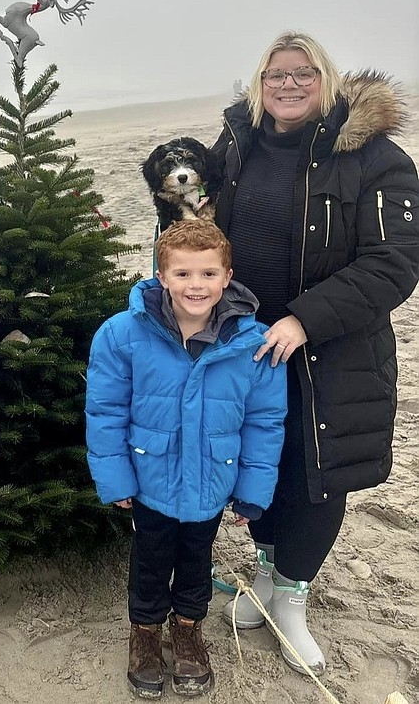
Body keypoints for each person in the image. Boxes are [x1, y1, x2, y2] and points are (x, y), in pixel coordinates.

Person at [213, 31, 419, 675]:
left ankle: (294, 598)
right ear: (259, 84)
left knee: (318, 472)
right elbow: (196, 228)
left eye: (304, 73)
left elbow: (394, 262)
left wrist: (305, 319)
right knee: (262, 465)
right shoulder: (235, 146)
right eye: (276, 75)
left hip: (333, 351)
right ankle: (268, 580)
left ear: (326, 81)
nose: (289, 85)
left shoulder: (377, 158)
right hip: (246, 344)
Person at [85, 219, 287, 698]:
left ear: (227, 275)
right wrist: (117, 480)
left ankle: (189, 633)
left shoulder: (252, 342)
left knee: (197, 561)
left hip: (212, 482)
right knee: (150, 561)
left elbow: (264, 421)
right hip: (150, 477)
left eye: (208, 274)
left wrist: (252, 491)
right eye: (182, 274)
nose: (196, 286)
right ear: (161, 276)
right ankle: (146, 635)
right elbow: (105, 410)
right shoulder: (121, 334)